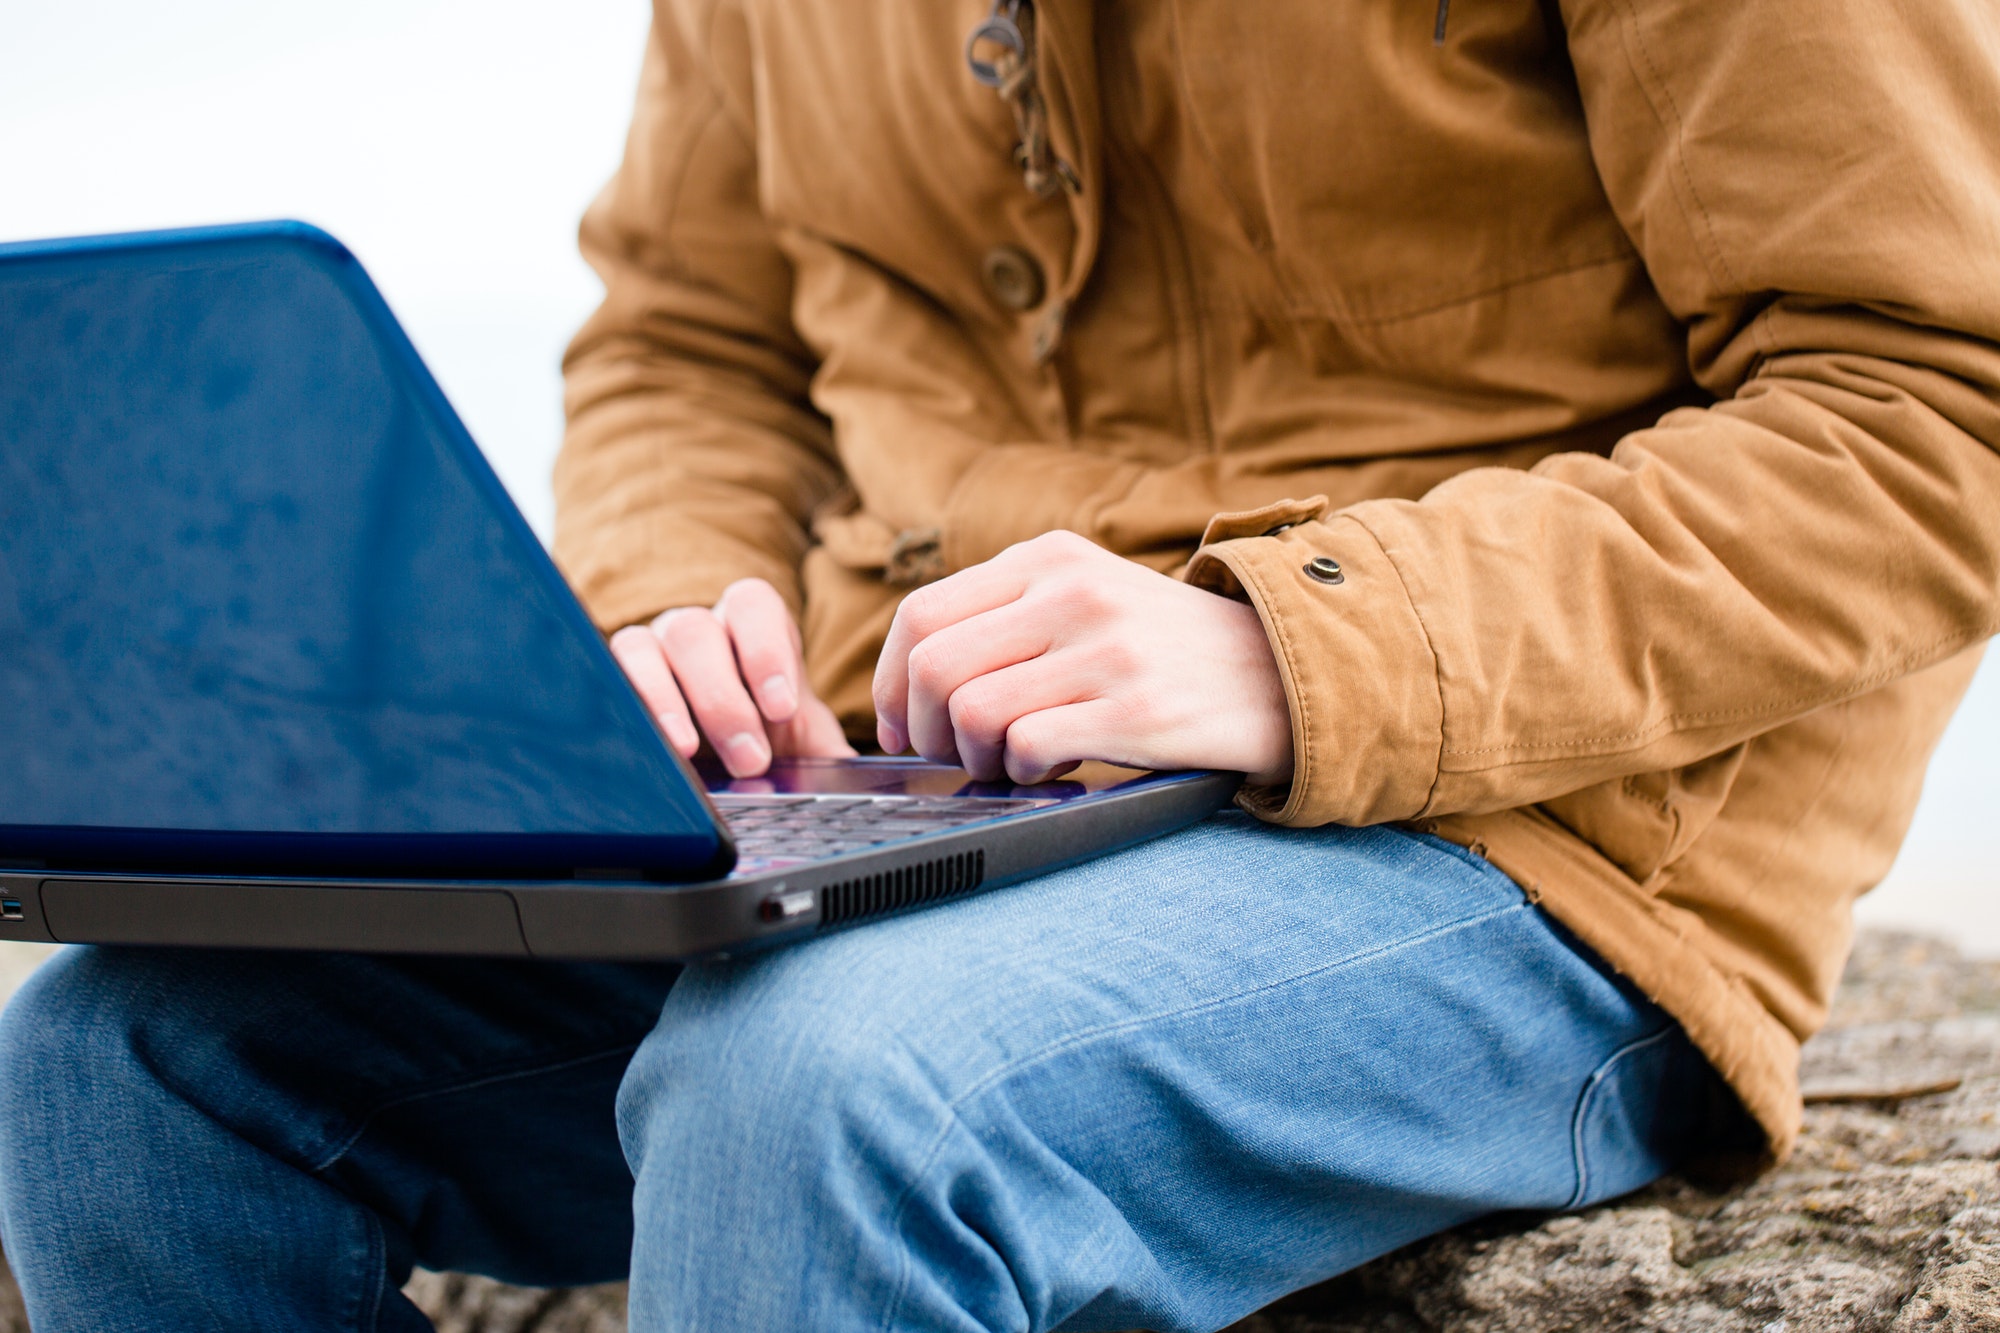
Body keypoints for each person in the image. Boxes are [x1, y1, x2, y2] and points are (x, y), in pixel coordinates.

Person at [4, 0, 1997, 1328]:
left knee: (825, 1088)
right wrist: (678, 602)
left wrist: (1290, 644)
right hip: (904, 773)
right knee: (123, 1060)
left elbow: (1934, 409)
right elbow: (690, 338)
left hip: (1537, 830)